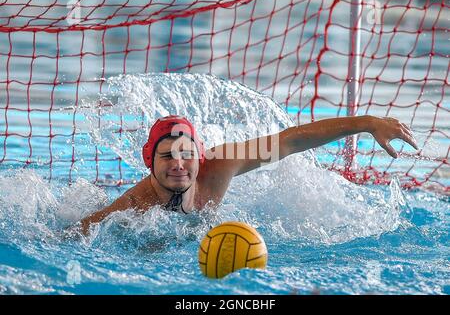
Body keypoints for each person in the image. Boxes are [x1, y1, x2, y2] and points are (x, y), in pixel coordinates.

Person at [78, 114, 418, 235]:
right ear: (149, 162)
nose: (179, 164)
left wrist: (366, 123)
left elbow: (290, 141)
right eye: (167, 156)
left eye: (187, 154)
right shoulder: (135, 205)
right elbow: (84, 230)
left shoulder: (221, 163)